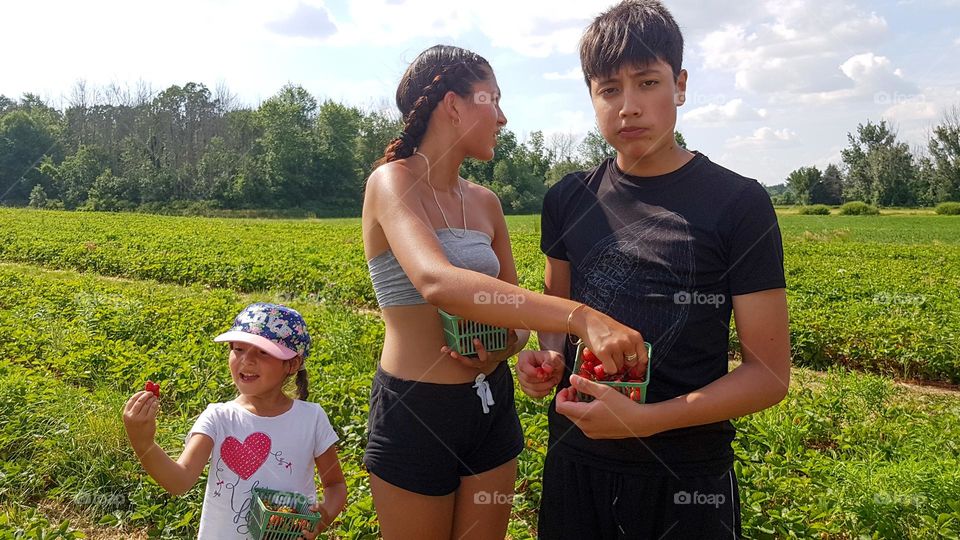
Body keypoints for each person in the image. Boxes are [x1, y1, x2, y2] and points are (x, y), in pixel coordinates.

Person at [515, 1, 791, 538]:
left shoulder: (738, 203)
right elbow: (558, 314)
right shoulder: (569, 198)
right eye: (610, 90)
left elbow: (769, 375)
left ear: (680, 85)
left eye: (647, 82)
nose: (629, 107)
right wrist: (546, 359)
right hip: (577, 461)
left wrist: (644, 421)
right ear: (591, 97)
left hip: (685, 474)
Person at [361, 44, 648, 539]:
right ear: (453, 106)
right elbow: (437, 282)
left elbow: (512, 316)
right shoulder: (392, 182)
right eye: (491, 100)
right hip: (417, 408)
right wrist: (580, 316)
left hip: (489, 403)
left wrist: (511, 351)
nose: (503, 117)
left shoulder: (486, 203)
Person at [122, 302, 347, 539]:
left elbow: (335, 485)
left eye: (263, 352)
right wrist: (144, 444)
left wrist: (318, 521)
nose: (246, 360)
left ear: (292, 364)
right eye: (238, 349)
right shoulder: (218, 418)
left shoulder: (311, 419)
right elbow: (180, 481)